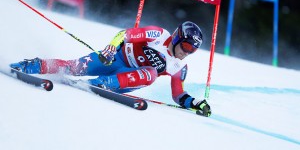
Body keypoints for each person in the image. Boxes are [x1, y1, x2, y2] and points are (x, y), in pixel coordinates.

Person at [10, 21, 211, 116]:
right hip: (113, 59)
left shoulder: (179, 66)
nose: (187, 52)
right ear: (177, 38)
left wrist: (195, 103)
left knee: (150, 73)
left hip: (124, 79)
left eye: (192, 50)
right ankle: (33, 64)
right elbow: (126, 34)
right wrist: (111, 48)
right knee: (72, 68)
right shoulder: (158, 34)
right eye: (186, 46)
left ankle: (102, 84)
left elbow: (178, 94)